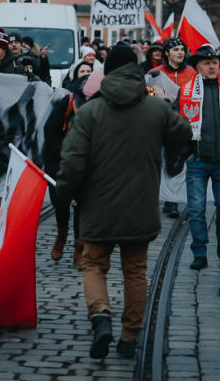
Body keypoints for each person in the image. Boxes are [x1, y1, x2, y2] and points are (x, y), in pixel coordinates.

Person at [57, 44, 191, 359]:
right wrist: (166, 105)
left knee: (93, 265)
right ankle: (130, 337)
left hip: (97, 206)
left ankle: (101, 315)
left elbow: (71, 164)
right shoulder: (155, 108)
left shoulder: (90, 112)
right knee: (135, 272)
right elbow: (183, 134)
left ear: (107, 71)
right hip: (140, 207)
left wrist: (64, 196)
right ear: (136, 69)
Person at [179, 44, 220, 271]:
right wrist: (187, 154)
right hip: (198, 160)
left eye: (215, 62)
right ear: (197, 66)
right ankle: (199, 252)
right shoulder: (186, 90)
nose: (212, 66)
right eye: (206, 63)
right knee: (196, 210)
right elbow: (179, 126)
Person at [43, 66, 98, 270]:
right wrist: (66, 153)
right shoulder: (68, 102)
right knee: (61, 205)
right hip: (60, 162)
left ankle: (79, 250)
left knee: (83, 207)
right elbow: (50, 130)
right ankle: (61, 235)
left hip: (87, 165)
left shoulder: (102, 107)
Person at [153, 38, 198, 218]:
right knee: (164, 161)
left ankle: (174, 201)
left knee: (181, 161)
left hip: (185, 123)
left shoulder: (193, 73)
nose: (180, 53)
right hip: (161, 123)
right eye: (176, 49)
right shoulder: (155, 73)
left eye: (182, 49)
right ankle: (164, 197)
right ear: (166, 53)